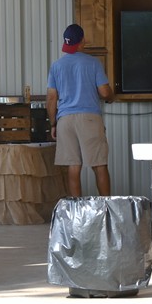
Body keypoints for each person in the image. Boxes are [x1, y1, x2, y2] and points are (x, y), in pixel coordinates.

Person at [46, 23, 114, 197]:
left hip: (65, 121)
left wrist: (54, 124)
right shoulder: (93, 63)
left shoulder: (56, 66)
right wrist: (111, 96)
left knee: (73, 166)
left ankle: (77, 213)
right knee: (99, 165)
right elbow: (105, 92)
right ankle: (105, 208)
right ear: (83, 41)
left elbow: (52, 98)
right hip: (89, 119)